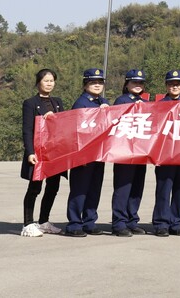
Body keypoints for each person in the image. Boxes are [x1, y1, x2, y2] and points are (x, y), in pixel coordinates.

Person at [65, 68, 109, 236]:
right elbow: (75, 130)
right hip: (83, 154)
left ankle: (89, 221)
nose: (97, 85)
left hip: (99, 153)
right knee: (79, 189)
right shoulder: (81, 103)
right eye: (93, 82)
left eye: (100, 82)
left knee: (94, 188)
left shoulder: (102, 102)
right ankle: (74, 223)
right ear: (85, 85)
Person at [21, 68, 65, 237]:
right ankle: (27, 224)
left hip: (55, 152)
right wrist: (30, 152)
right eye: (45, 80)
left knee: (53, 187)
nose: (49, 83)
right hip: (38, 152)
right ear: (38, 82)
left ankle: (43, 221)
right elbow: (27, 130)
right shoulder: (30, 103)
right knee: (34, 188)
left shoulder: (57, 102)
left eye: (52, 80)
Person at [153, 69, 180, 236]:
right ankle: (161, 222)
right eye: (171, 83)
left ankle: (176, 222)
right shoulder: (159, 105)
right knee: (164, 188)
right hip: (165, 154)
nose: (174, 86)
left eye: (178, 83)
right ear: (166, 85)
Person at [111, 69, 149, 236]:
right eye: (134, 82)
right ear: (126, 84)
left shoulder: (144, 102)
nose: (138, 85)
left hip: (140, 151)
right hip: (125, 152)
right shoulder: (122, 100)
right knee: (123, 188)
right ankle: (119, 223)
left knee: (136, 188)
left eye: (140, 83)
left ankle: (132, 220)